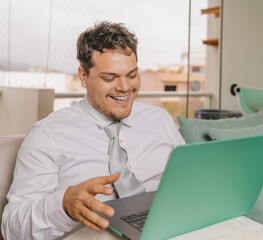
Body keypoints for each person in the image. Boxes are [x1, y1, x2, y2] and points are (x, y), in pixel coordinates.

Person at [1, 21, 185, 240]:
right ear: (83, 76)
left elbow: (191, 181)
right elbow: (10, 228)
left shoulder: (160, 120)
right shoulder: (47, 135)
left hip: (173, 229)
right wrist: (63, 205)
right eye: (110, 78)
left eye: (132, 74)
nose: (125, 87)